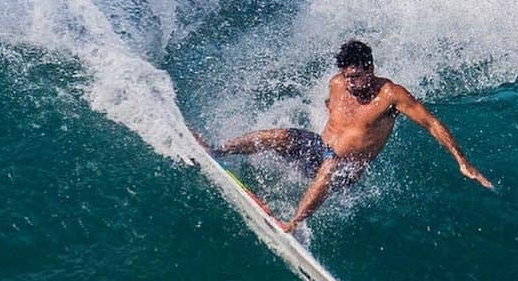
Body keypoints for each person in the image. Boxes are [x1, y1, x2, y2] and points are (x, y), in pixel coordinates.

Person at [202, 39, 492, 234]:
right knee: (280, 135)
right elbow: (333, 112)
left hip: (346, 170)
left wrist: (462, 161)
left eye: (356, 76)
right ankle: (217, 150)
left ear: (371, 69)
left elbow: (431, 124)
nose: (350, 83)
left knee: (330, 165)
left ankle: (293, 225)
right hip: (318, 150)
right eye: (346, 76)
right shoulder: (337, 83)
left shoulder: (391, 95)